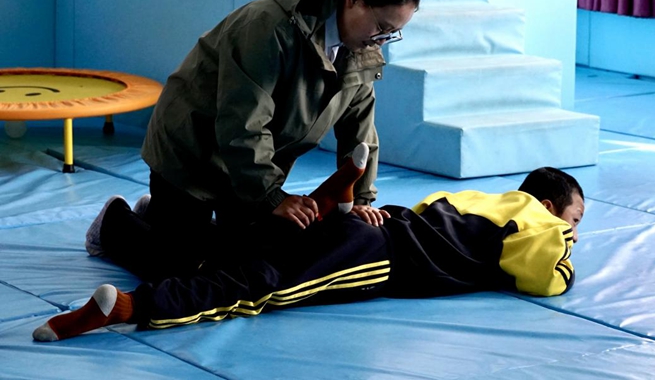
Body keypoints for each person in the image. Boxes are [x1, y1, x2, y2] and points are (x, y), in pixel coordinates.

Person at [83, 0, 422, 282]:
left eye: (392, 34)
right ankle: (115, 223)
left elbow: (360, 133)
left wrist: (361, 200)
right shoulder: (270, 28)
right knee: (184, 273)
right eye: (382, 28)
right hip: (192, 152)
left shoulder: (361, 49)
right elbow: (242, 123)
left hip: (248, 164)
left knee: (254, 259)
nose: (383, 41)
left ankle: (158, 221)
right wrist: (273, 197)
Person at [33, 166, 584, 342]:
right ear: (549, 204)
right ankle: (132, 306)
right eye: (575, 218)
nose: (574, 230)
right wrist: (566, 249)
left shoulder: (482, 200)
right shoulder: (539, 221)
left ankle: (126, 226)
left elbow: (424, 213)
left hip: (371, 223)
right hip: (379, 253)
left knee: (230, 256)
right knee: (263, 285)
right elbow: (546, 278)